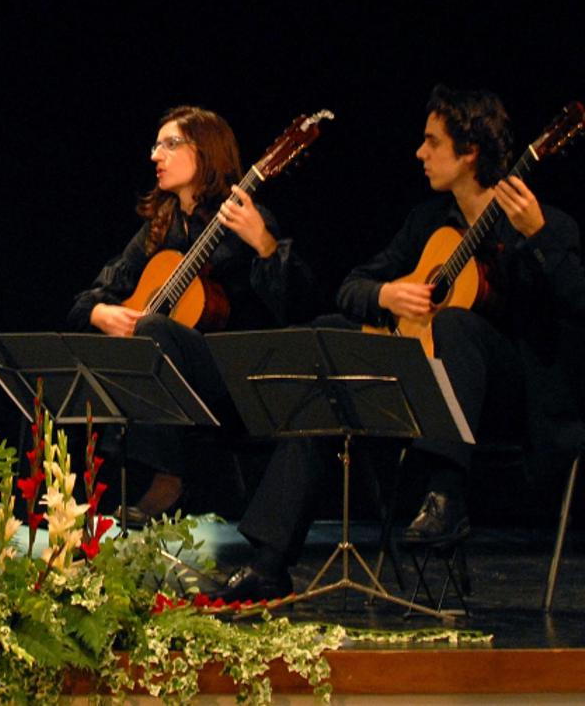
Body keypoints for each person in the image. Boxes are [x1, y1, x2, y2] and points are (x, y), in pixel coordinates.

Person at [214, 85, 585, 602]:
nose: (419, 152)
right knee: (330, 341)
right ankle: (271, 560)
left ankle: (445, 496)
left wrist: (539, 236)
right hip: (425, 389)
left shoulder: (543, 223)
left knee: (456, 325)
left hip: (507, 402)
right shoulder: (427, 223)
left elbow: (574, 307)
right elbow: (351, 287)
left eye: (432, 142)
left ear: (470, 150)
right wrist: (388, 293)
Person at [68, 106, 313, 524]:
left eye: (169, 144)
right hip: (172, 381)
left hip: (233, 379)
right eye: (155, 144)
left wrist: (265, 245)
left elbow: (299, 307)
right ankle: (79, 494)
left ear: (204, 152)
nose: (154, 155)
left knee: (152, 329)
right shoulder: (159, 228)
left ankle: (170, 477)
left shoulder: (243, 218)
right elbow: (85, 301)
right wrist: (103, 313)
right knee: (106, 348)